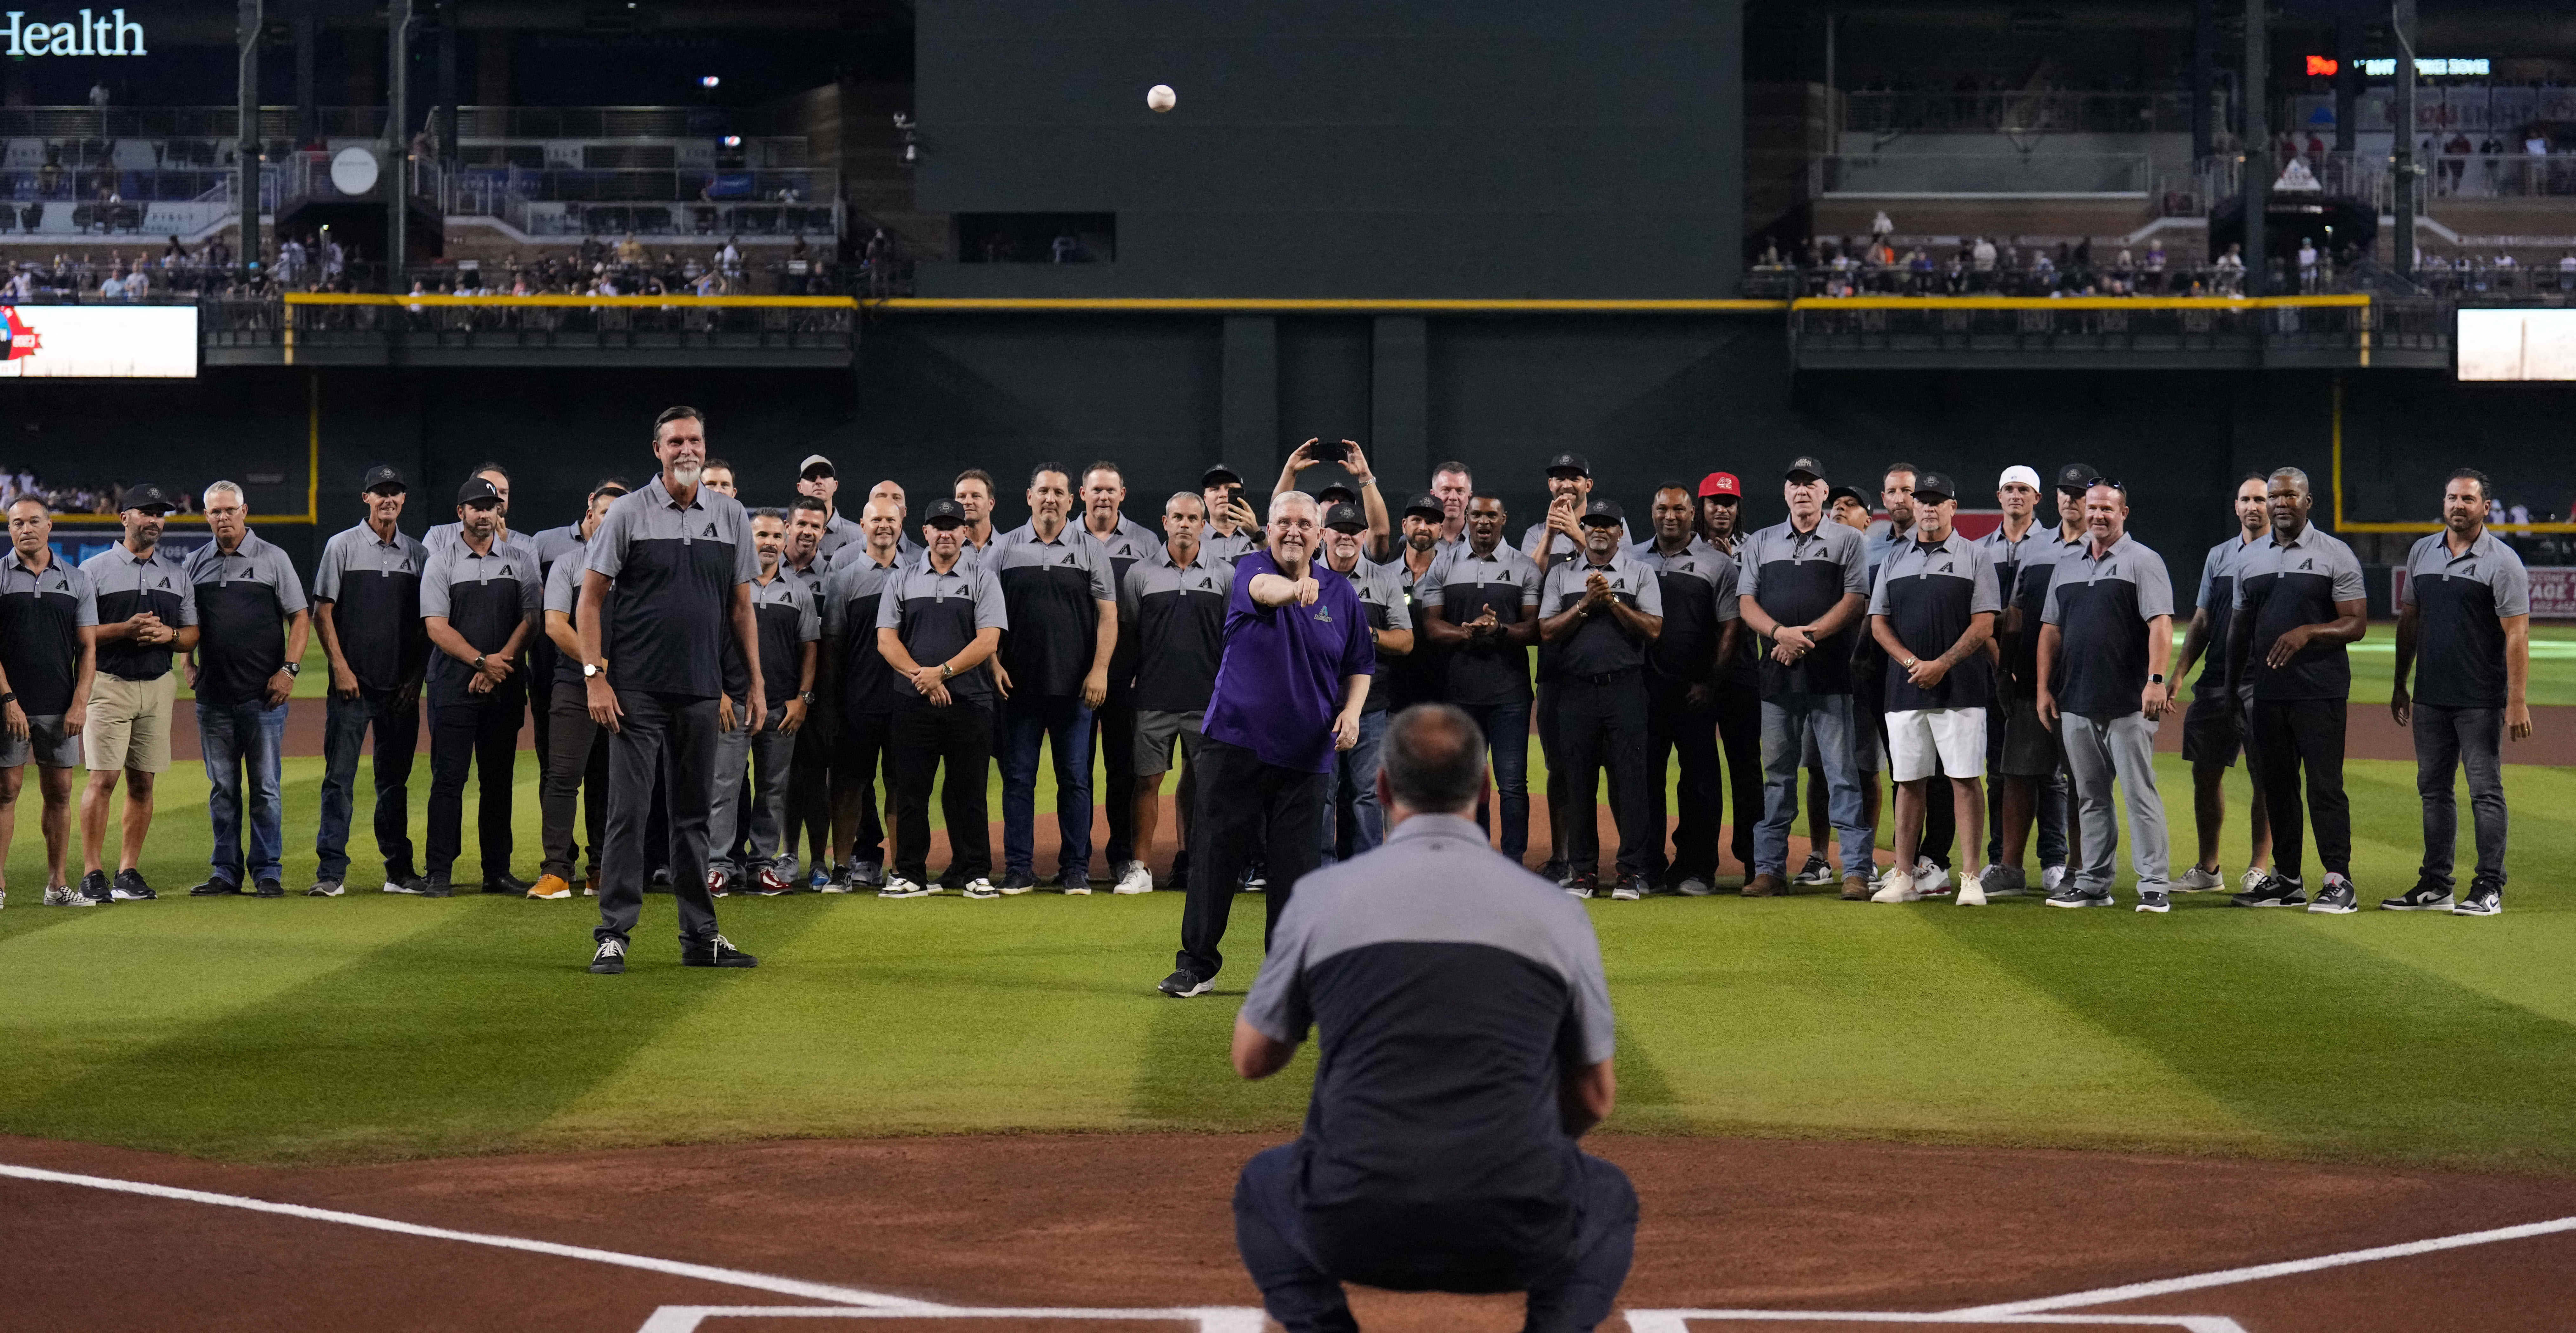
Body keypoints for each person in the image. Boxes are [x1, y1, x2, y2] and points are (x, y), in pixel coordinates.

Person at [1229, 703, 1632, 1333]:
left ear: (1385, 788)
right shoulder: (1555, 913)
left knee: (1263, 1183)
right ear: (1480, 789)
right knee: (1608, 1194)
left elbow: (1254, 1059)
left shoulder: (1321, 898)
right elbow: (1597, 1097)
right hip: (1513, 1228)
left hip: (1354, 1224)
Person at [1162, 491, 1375, 999]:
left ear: (1321, 534)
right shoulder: (1249, 569)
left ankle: (1284, 971)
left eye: (1305, 523)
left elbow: (1359, 665)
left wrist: (1350, 713)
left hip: (1306, 752)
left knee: (1294, 868)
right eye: (1284, 523)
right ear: (1270, 528)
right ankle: (1197, 965)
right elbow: (1263, 589)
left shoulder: (1342, 595)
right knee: (1214, 855)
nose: (1293, 531)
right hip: (1235, 741)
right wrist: (1293, 591)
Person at [579, 406, 764, 973]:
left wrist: (754, 681)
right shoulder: (628, 514)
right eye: (675, 441)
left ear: (705, 447)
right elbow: (588, 601)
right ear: (656, 449)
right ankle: (613, 934)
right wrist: (595, 678)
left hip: (701, 689)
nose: (687, 449)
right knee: (628, 815)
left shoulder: (731, 516)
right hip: (636, 692)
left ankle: (700, 936)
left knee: (693, 819)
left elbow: (740, 608)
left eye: (695, 440)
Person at [2386, 470, 2530, 917]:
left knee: (2484, 791)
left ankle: (2489, 885)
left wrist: (2516, 700)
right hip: (2430, 696)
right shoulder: (2421, 551)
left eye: (2467, 499)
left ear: (2485, 507)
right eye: (2451, 497)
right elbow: (2409, 620)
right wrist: (2399, 682)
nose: (2457, 506)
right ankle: (2435, 883)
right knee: (2432, 790)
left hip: (2480, 699)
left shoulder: (2502, 561)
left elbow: (2516, 634)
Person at [2226, 467, 2368, 913]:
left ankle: (2338, 880)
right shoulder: (2249, 559)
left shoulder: (2335, 554)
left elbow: (2356, 623)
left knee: (2324, 786)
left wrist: (2307, 632)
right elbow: (2238, 629)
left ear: (2308, 501)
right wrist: (2231, 689)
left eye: (2290, 495)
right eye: (2274, 496)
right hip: (2268, 692)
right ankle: (2287, 879)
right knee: (2278, 786)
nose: (2280, 503)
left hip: (2319, 691)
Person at [2033, 481, 2175, 912]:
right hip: (2075, 699)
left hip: (2127, 700)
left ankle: (2154, 884)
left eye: (2106, 509)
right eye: (2091, 507)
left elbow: (2160, 623)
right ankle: (2094, 882)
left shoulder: (2142, 561)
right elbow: (2050, 631)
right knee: (2090, 797)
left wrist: (2155, 679)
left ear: (2123, 513)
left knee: (2138, 794)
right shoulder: (2067, 563)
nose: (2097, 515)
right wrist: (2043, 687)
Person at [1736, 457, 1871, 899]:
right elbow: (1746, 603)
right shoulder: (1761, 541)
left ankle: (1855, 870)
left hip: (1829, 673)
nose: (1801, 491)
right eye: (1794, 484)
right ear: (1785, 493)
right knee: (1776, 775)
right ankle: (1770, 870)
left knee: (1841, 775)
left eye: (1809, 485)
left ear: (1823, 492)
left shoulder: (1848, 540)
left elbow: (1854, 601)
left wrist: (1803, 638)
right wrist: (1779, 634)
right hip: (1776, 674)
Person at [1863, 472, 1998, 906]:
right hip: (1904, 687)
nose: (1928, 507)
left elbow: (1984, 623)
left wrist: (1941, 664)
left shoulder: (1974, 557)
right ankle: (1902, 875)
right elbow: (1878, 622)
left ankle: (1971, 878)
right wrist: (1912, 664)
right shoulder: (1893, 558)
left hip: (1960, 687)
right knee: (1908, 781)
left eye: (1937, 501)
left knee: (1963, 780)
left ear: (1952, 508)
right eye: (1922, 500)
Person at [989, 462, 1119, 894]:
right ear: (1029, 497)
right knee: (1019, 779)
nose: (1050, 498)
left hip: (1075, 688)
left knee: (1076, 780)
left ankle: (1076, 868)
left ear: (1070, 499)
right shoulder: (1003, 550)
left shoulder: (1089, 550)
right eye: (1043, 491)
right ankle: (1019, 868)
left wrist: (1100, 669)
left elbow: (1108, 615)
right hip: (1018, 688)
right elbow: (984, 616)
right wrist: (992, 663)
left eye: (1058, 492)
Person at [874, 498, 1007, 898]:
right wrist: (923, 678)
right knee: (912, 791)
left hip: (971, 702)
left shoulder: (983, 579)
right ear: (925, 533)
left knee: (970, 790)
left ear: (965, 533)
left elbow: (989, 640)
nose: (946, 532)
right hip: (913, 701)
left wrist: (942, 673)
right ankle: (911, 874)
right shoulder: (903, 578)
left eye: (954, 525)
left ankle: (975, 873)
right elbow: (886, 640)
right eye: (938, 525)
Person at [183, 481, 309, 899]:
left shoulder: (274, 558)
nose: (223, 518)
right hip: (214, 697)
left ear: (244, 511)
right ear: (207, 517)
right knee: (223, 789)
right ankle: (225, 872)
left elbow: (300, 615)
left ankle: (268, 871)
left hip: (264, 697)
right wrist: (187, 662)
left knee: (266, 789)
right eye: (215, 512)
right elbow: (187, 623)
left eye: (229, 510)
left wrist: (289, 670)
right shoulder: (194, 563)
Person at [310, 465, 432, 897]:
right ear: (366, 498)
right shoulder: (341, 546)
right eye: (380, 492)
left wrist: (415, 680)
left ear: (403, 500)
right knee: (338, 779)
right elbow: (322, 613)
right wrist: (340, 668)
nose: (388, 499)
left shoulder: (418, 554)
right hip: (353, 687)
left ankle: (399, 870)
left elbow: (427, 625)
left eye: (395, 492)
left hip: (399, 688)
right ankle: (330, 872)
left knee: (394, 783)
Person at [418, 477, 541, 897]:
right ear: (462, 513)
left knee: (498, 780)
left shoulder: (522, 559)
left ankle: (497, 870)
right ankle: (439, 871)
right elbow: (435, 626)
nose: (485, 513)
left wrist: (497, 665)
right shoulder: (442, 560)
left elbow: (532, 619)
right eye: (476, 506)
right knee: (448, 780)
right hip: (453, 684)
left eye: (491, 506)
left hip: (504, 684)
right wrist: (480, 661)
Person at [1538, 498, 1663, 900]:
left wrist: (1611, 602)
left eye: (1608, 525)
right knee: (1578, 784)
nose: (1599, 530)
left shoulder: (1640, 572)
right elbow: (1546, 630)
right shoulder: (1561, 574)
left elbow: (1654, 629)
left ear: (1620, 533)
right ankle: (1584, 872)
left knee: (1631, 782)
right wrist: (1585, 605)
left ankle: (1630, 872)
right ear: (1584, 529)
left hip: (1626, 688)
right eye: (1593, 523)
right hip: (1575, 690)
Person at [76, 483, 195, 904]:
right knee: (103, 778)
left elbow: (192, 634)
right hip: (109, 684)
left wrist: (170, 634)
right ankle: (92, 873)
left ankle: (128, 872)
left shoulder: (177, 573)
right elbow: (80, 635)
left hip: (158, 686)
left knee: (143, 781)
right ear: (124, 517)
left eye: (161, 514)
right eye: (146, 512)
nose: (155, 521)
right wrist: (124, 630)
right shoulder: (93, 570)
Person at [1521, 454, 1628, 883]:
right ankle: (1561, 856)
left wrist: (1579, 536)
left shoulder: (1608, 523)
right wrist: (1550, 537)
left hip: (1608, 662)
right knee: (1560, 767)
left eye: (1573, 477)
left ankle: (1628, 862)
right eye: (1558, 478)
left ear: (1588, 483)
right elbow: (1527, 582)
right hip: (1557, 668)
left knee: (1618, 767)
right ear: (1550, 486)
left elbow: (1622, 575)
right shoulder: (1534, 531)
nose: (1565, 484)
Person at [1417, 495, 1542, 864]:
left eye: (1492, 515)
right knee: (1470, 783)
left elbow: (1535, 629)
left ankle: (1513, 859)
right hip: (1460, 692)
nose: (1484, 522)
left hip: (1510, 695)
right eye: (1477, 515)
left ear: (1504, 518)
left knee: (1513, 784)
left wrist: (1500, 629)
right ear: (1467, 518)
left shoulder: (1525, 567)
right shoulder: (1443, 563)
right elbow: (1431, 626)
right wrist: (1466, 633)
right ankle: (1476, 859)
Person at [1122, 492, 1235, 894]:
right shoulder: (1140, 574)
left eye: (1193, 518)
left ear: (1203, 524)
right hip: (1154, 697)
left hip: (1207, 700)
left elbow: (1231, 637)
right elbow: (1133, 633)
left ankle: (1197, 862)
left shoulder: (1225, 574)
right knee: (1147, 781)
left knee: (1204, 783)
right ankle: (1141, 868)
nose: (1185, 524)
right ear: (1164, 522)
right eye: (1177, 518)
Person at [2165, 475, 2274, 894]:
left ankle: (2258, 868)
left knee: (2264, 774)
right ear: (2235, 506)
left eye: (2260, 499)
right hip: (2216, 677)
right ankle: (2208, 869)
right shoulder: (2219, 555)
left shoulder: (2280, 552)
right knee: (2205, 773)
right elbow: (2203, 619)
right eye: (2246, 499)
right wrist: (2178, 674)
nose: (2253, 506)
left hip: (2262, 676)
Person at [1629, 484, 1737, 896]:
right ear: (1652, 511)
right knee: (1645, 781)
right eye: (1662, 508)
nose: (1669, 516)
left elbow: (1731, 627)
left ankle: (1697, 868)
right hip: (1643, 690)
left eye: (1678, 509)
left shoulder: (1717, 564)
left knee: (1699, 783)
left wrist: (1711, 682)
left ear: (1693, 513)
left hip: (1694, 690)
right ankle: (1647, 867)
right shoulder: (1632, 557)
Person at [706, 509, 818, 896]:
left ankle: (763, 865)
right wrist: (718, 693)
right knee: (725, 787)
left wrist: (803, 700)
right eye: (761, 535)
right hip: (733, 704)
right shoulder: (728, 585)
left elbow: (809, 650)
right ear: (747, 540)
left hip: (781, 710)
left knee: (773, 789)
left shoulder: (798, 591)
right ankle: (718, 865)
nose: (769, 542)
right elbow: (707, 644)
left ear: (785, 539)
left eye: (776, 535)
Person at [1993, 464, 2092, 895]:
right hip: (2030, 680)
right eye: (2064, 492)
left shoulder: (2105, 546)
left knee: (2079, 778)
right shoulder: (2036, 549)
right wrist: (2004, 667)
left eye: (2079, 493)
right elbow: (2015, 613)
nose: (2070, 500)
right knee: (2018, 773)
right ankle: (2010, 868)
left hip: (2084, 681)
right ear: (2054, 498)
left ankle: (2076, 867)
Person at [0, 495, 99, 909]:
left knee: (59, 792)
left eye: (34, 521)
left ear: (50, 525)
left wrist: (80, 703)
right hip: (9, 707)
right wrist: (7, 699)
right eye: (17, 522)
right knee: (6, 789)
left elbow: (89, 649)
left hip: (60, 707)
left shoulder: (76, 579)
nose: (26, 529)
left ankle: (57, 885)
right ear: (9, 529)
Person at [1074, 461, 1160, 895]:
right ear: (1082, 494)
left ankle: (1122, 855)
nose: (1103, 497)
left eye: (1111, 490)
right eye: (1096, 490)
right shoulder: (1066, 538)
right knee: (1076, 769)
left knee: (1123, 769)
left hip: (1125, 673)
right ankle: (1075, 858)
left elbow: (1155, 613)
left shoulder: (1146, 543)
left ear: (1122, 494)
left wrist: (1142, 667)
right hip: (1073, 670)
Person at [535, 483, 625, 900]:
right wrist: (598, 666)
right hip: (574, 685)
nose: (611, 520)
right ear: (590, 515)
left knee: (609, 783)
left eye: (619, 513)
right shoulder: (569, 564)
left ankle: (601, 870)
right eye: (605, 512)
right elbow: (555, 624)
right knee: (563, 778)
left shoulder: (637, 567)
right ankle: (556, 871)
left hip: (625, 691)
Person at [1792, 483, 1883, 889]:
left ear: (1869, 518)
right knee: (1817, 768)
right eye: (1837, 504)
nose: (1840, 509)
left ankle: (1867, 859)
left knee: (1864, 768)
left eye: (1852, 505)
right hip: (1823, 672)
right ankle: (1819, 855)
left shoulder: (1880, 557)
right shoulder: (1824, 557)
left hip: (1864, 680)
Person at [1318, 500, 1414, 862]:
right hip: (1319, 703)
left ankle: (1368, 871)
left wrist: (1366, 634)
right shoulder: (1306, 576)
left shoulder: (1384, 578)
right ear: (1323, 534)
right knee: (1322, 793)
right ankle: (1322, 872)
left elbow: (1406, 641)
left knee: (1367, 793)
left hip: (1371, 706)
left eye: (1354, 530)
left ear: (1364, 535)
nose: (1346, 536)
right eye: (1338, 530)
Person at [822, 497, 909, 891]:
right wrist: (830, 704)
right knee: (847, 788)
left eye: (891, 520)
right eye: (877, 520)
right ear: (863, 524)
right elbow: (833, 647)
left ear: (902, 523)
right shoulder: (844, 578)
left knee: (900, 786)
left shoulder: (916, 574)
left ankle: (900, 869)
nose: (884, 527)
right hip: (857, 703)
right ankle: (842, 867)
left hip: (904, 702)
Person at [1970, 465, 2044, 892]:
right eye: (2009, 489)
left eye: (2024, 490)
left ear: (2037, 497)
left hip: (2036, 675)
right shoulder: (1980, 551)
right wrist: (2002, 663)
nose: (2016, 495)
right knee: (1999, 770)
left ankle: (2052, 859)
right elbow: (1979, 616)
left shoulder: (2054, 546)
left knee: (2048, 775)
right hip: (1991, 673)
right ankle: (2000, 860)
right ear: (1998, 496)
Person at [1694, 471, 1763, 879]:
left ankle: (1756, 859)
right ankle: (1702, 861)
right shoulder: (1685, 547)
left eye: (1730, 503)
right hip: (1698, 670)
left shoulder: (1754, 547)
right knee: (1700, 768)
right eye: (1715, 502)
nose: (1722, 509)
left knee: (1746, 765)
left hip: (1742, 670)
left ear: (1738, 508)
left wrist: (1732, 565)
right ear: (1701, 508)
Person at [779, 496, 838, 886]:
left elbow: (831, 640)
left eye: (816, 526)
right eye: (801, 524)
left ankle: (818, 860)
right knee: (779, 777)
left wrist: (812, 695)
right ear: (788, 526)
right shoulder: (761, 568)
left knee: (816, 776)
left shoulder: (832, 576)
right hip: (774, 688)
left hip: (819, 694)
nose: (808, 532)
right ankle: (785, 855)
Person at [795, 455, 865, 563]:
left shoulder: (859, 536)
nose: (819, 481)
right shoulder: (787, 536)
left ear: (835, 485)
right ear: (800, 487)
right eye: (811, 478)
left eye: (825, 476)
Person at [1199, 464, 1263, 560]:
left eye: (1229, 489)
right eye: (1215, 489)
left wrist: (1257, 536)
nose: (1223, 495)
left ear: (1243, 495)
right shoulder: (1192, 539)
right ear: (1205, 499)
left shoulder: (1266, 535)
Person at [953, 469, 999, 557]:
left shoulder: (1008, 547)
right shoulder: (945, 552)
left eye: (976, 496)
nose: (968, 502)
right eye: (961, 497)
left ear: (991, 504)